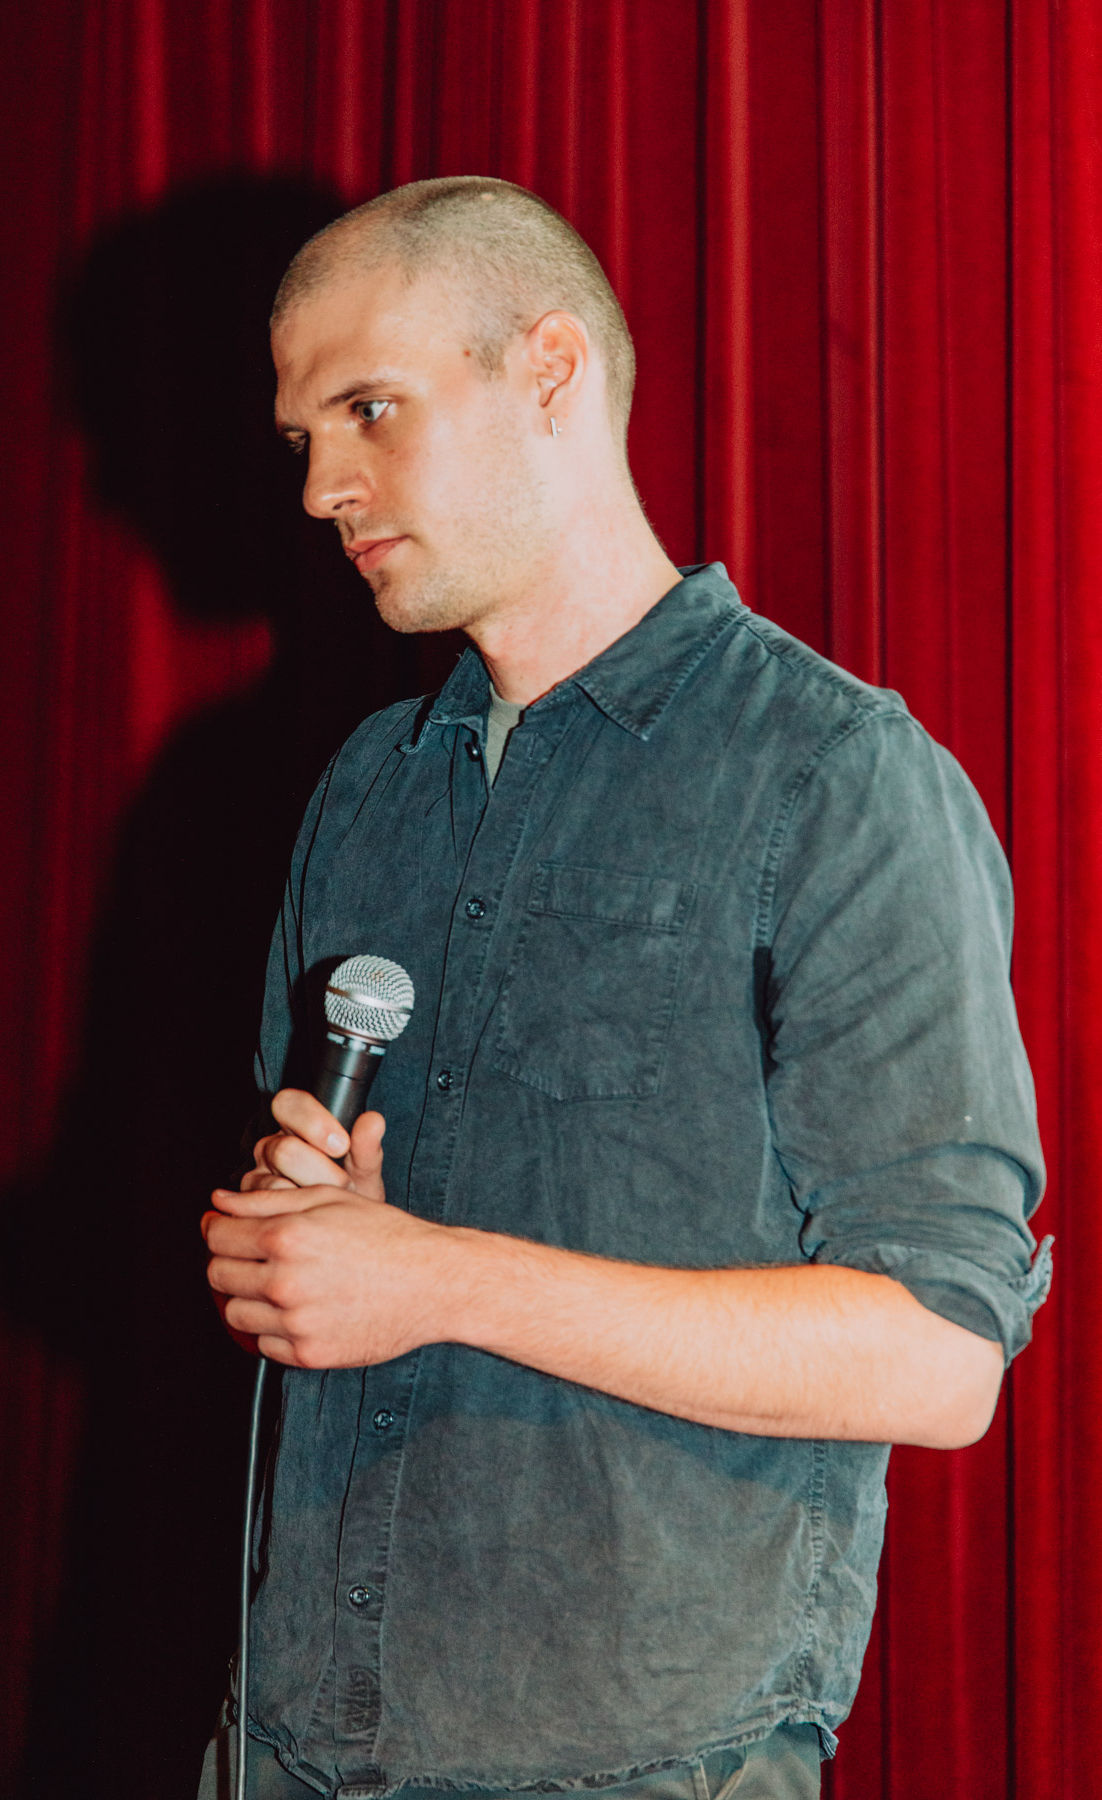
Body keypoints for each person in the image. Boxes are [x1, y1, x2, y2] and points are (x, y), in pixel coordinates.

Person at [199, 177, 1049, 1800]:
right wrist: (295, 1237)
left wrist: (437, 1280)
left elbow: (939, 1358)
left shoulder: (837, 778)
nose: (321, 487)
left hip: (638, 1759)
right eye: (303, 437)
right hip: (291, 1734)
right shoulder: (368, 786)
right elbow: (339, 1245)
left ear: (551, 371)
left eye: (369, 410)